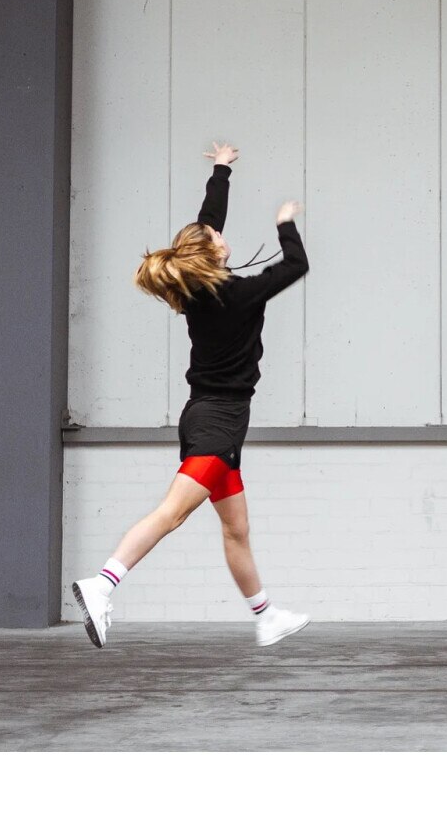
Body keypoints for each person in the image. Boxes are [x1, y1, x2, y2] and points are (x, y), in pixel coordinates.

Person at [71, 143, 311, 650]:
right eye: (217, 236)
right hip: (218, 422)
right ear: (214, 253)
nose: (221, 233)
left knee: (236, 530)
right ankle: (102, 584)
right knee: (172, 513)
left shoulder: (196, 289)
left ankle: (266, 617)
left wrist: (222, 169)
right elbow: (295, 264)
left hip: (211, 417)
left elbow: (207, 221)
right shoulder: (238, 294)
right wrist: (285, 223)